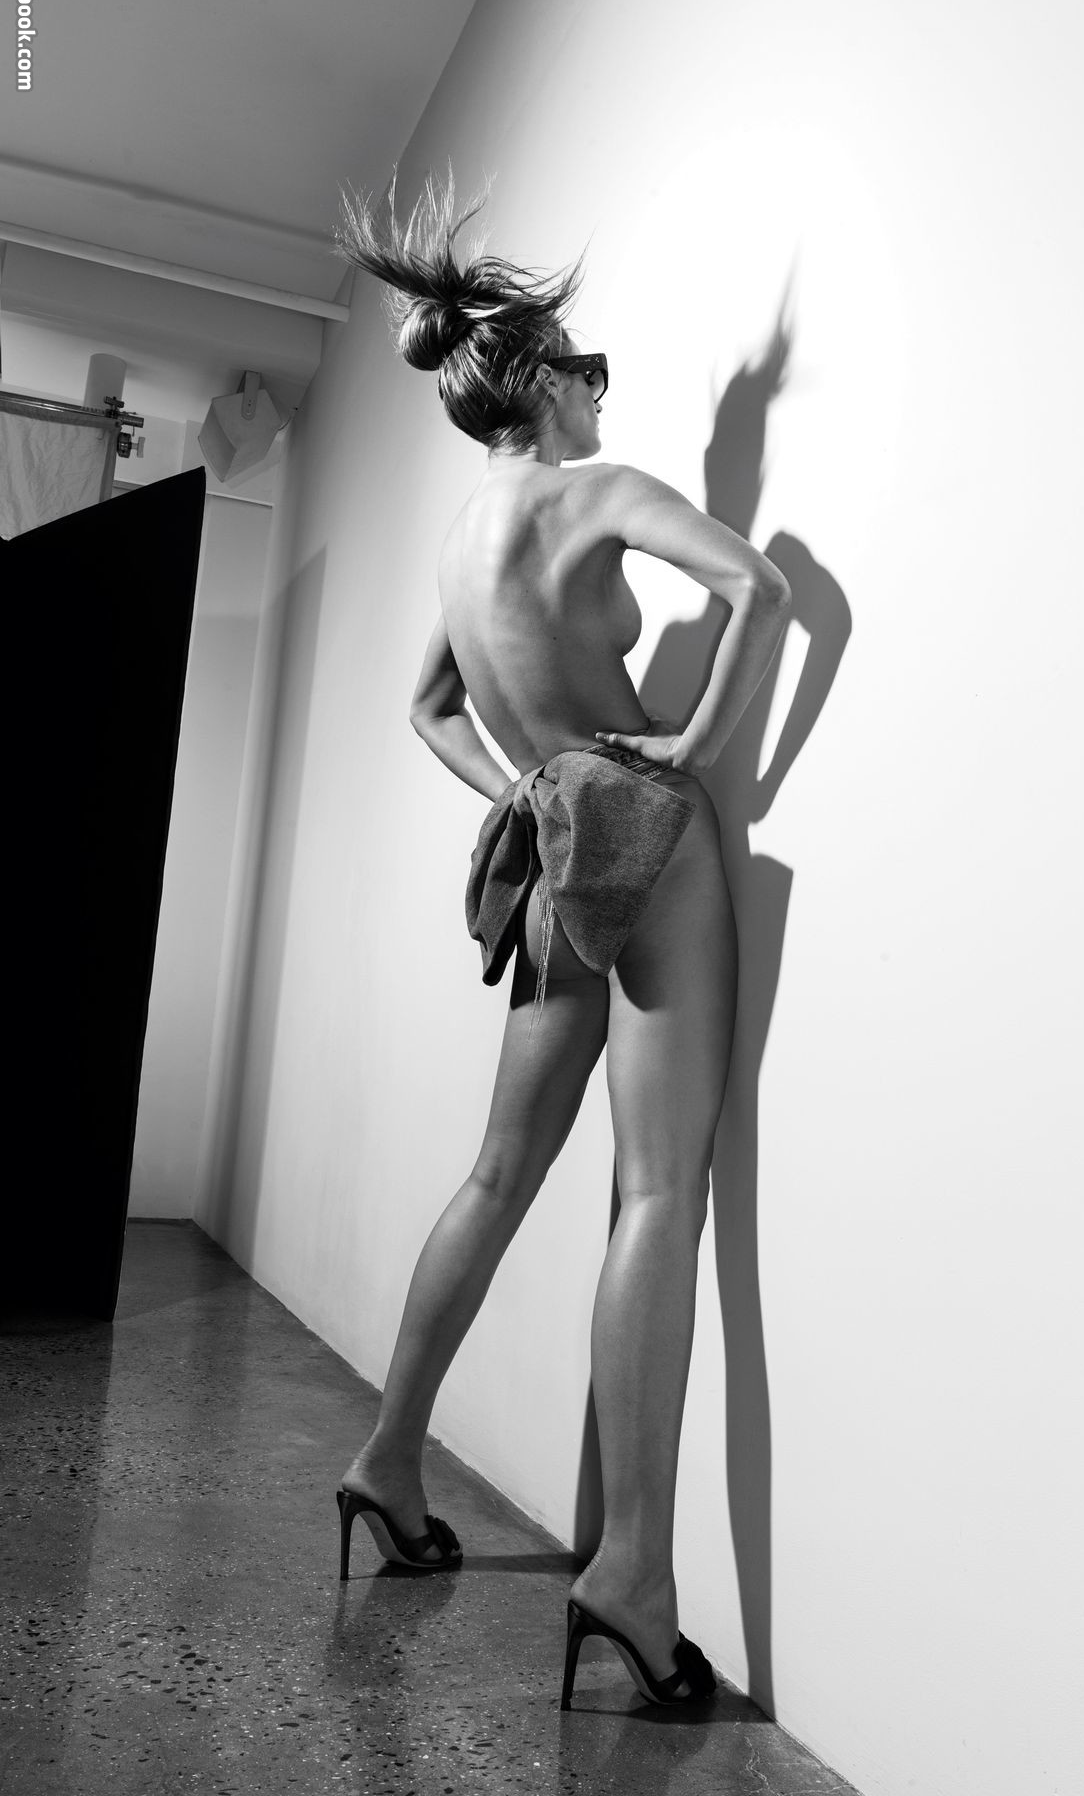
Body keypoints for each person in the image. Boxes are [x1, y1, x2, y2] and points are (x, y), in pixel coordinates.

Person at [330, 169, 791, 1707]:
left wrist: (526, 784)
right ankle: (633, 1573)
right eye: (589, 368)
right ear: (537, 379)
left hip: (548, 851)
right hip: (641, 835)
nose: (604, 392)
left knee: (496, 1172)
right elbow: (759, 584)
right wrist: (691, 749)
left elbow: (427, 707)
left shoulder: (464, 543)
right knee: (660, 1190)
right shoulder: (598, 493)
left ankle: (389, 1458)